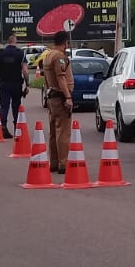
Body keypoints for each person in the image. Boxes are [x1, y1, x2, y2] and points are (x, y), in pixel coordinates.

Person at [41, 31, 74, 174]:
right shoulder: (60, 57)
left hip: (51, 96)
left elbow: (47, 80)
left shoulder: (47, 56)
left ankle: (53, 162)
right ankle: (63, 163)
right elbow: (61, 78)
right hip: (60, 97)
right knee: (63, 132)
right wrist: (68, 97)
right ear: (65, 42)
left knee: (53, 132)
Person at [0, 33, 28, 139]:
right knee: (16, 106)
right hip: (16, 84)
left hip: (3, 83)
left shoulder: (0, 53)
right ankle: (17, 127)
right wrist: (27, 84)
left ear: (7, 42)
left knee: (4, 106)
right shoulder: (20, 53)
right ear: (15, 41)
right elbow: (25, 71)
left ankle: (3, 126)